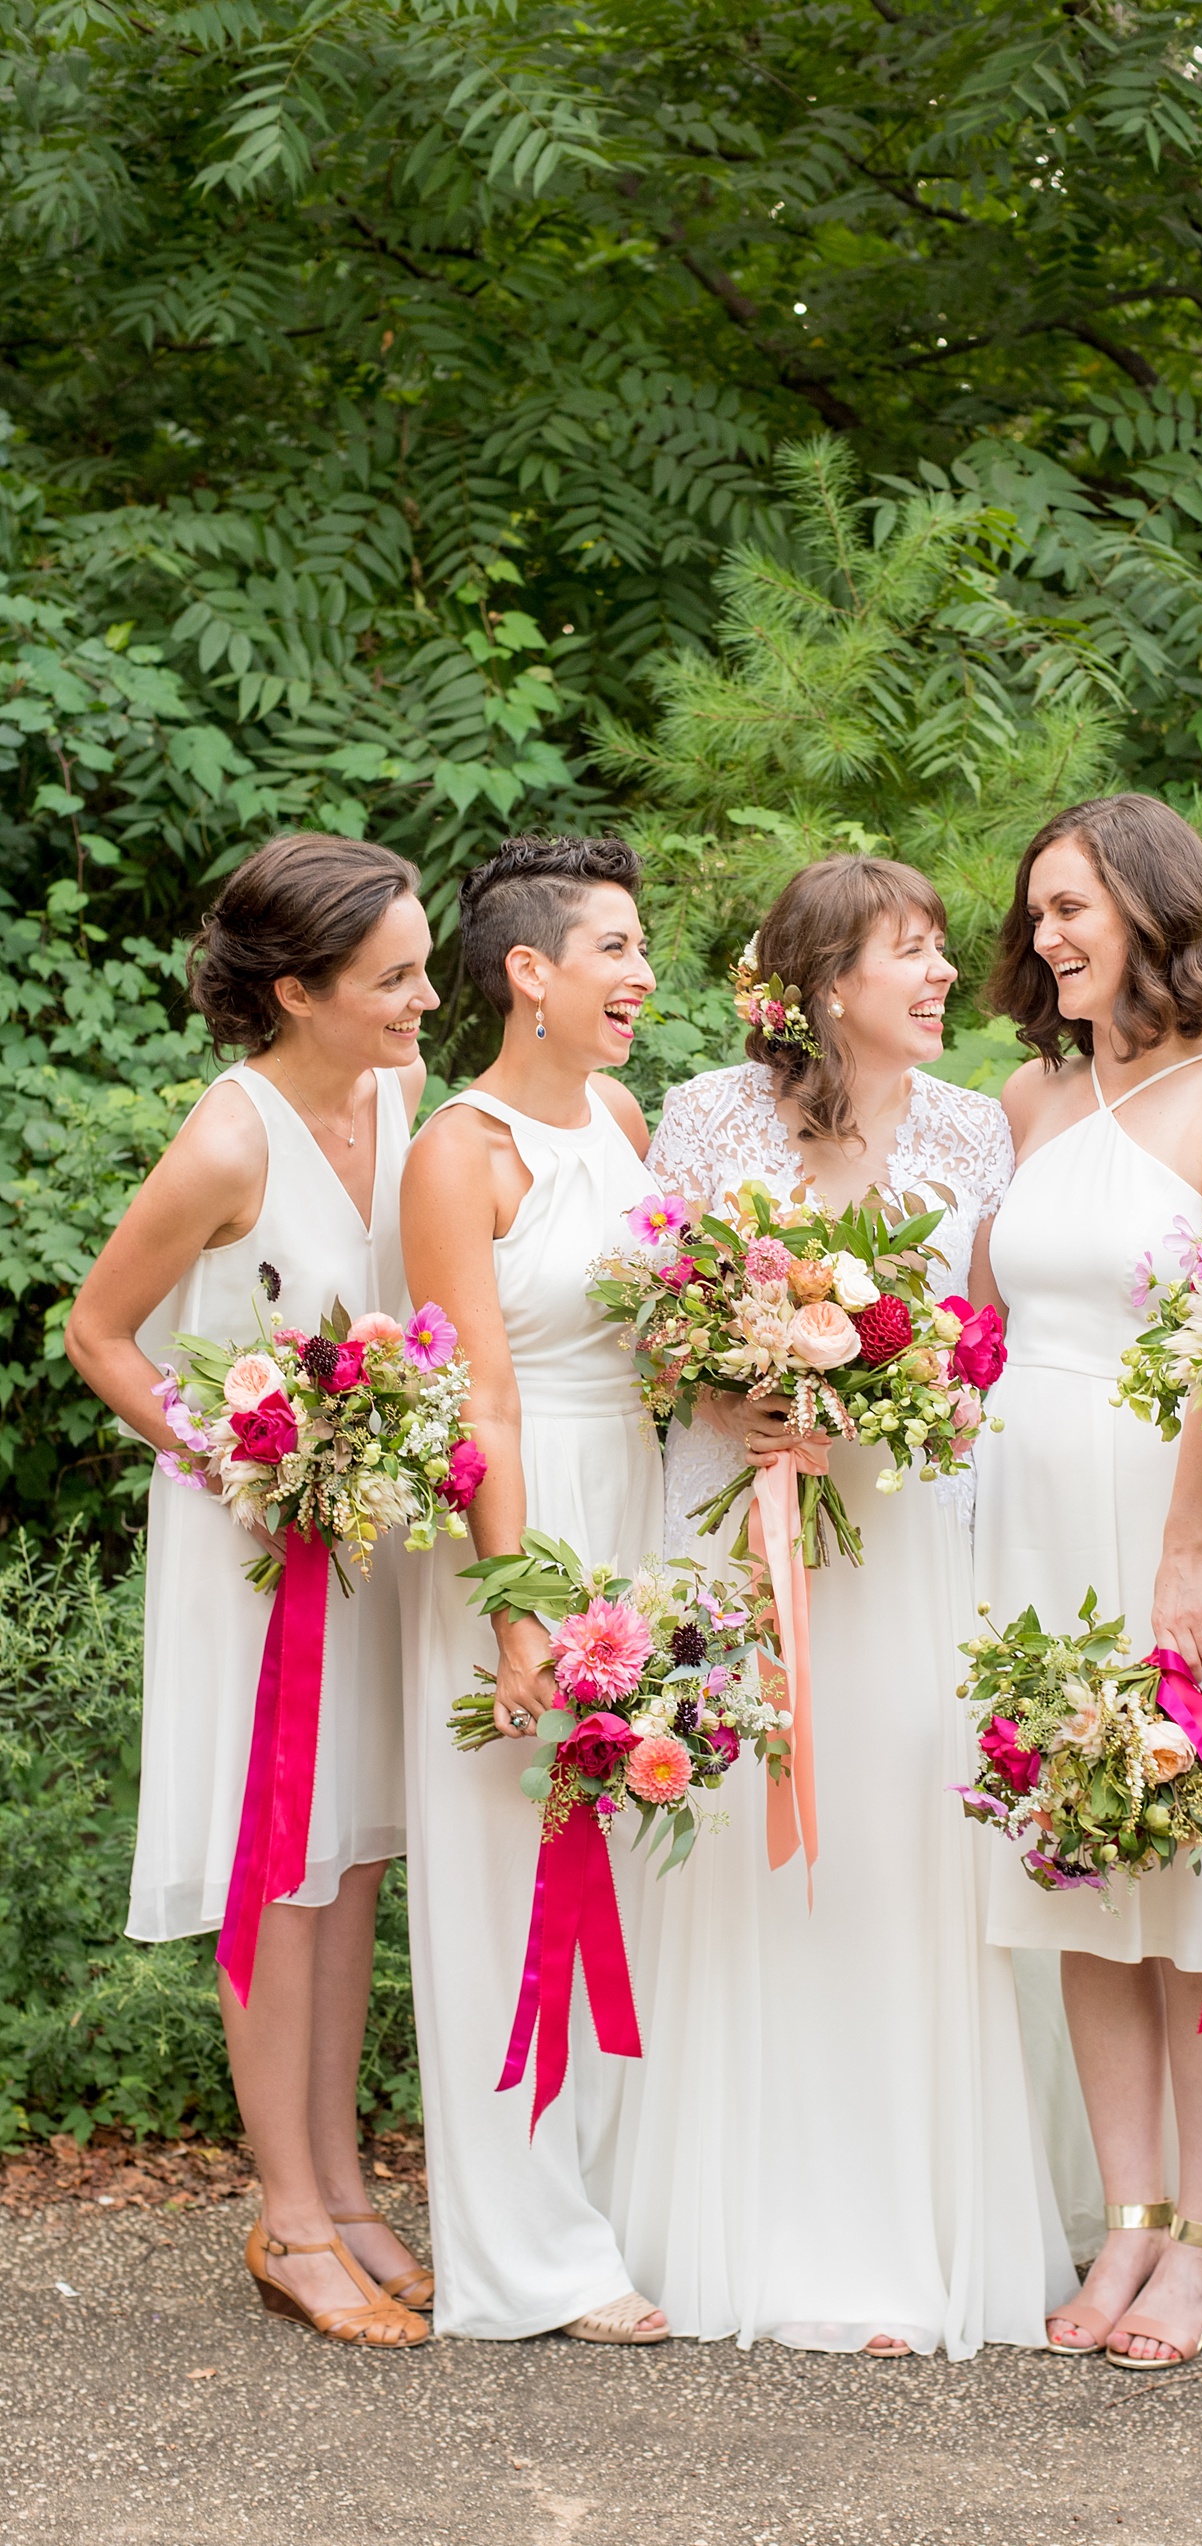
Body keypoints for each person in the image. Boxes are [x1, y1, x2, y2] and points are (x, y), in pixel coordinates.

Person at [612, 853, 1075, 2358]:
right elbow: (655, 1327)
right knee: (755, 1862)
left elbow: (991, 1344)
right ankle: (755, 2226)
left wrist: (881, 1403)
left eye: (943, 949)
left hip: (912, 1541)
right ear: (824, 981)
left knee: (900, 1859)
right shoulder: (706, 1118)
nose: (947, 974)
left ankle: (904, 2240)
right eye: (911, 951)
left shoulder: (973, 1126)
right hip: (749, 1537)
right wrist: (748, 1387)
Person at [66, 831, 437, 2348]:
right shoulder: (229, 1138)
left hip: (366, 1539)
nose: (424, 1000)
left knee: (347, 1861)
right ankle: (283, 2212)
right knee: (273, 1860)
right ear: (298, 989)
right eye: (395, 978)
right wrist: (239, 1452)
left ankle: (345, 2184)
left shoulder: (398, 1094)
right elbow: (99, 1333)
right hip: (252, 1545)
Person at [976, 793, 1202, 2368]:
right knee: (1075, 1872)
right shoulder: (1029, 1094)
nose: (1049, 936)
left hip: (1168, 1518)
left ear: (1156, 910)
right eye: (1037, 911)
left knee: (1191, 1876)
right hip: (1024, 1518)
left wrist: (1194, 1543)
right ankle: (1123, 2218)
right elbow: (985, 1323)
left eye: (1075, 907)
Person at [399, 832, 669, 2344]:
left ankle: (620, 2202)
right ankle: (527, 2256)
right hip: (529, 1522)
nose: (640, 975)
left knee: (634, 1872)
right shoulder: (462, 1151)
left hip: (640, 1505)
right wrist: (514, 1608)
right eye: (614, 949)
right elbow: (477, 1399)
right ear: (530, 973)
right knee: (515, 1886)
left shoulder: (619, 1117)